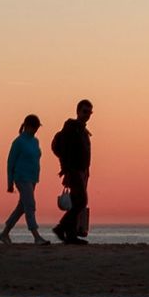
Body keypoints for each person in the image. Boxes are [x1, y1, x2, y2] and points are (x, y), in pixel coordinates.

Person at [0, 113, 50, 242]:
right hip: (21, 177)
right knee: (30, 205)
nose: (35, 131)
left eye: (37, 128)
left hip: (33, 178)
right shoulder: (18, 142)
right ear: (27, 126)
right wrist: (9, 183)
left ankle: (4, 233)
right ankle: (36, 236)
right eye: (34, 128)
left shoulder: (35, 141)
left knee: (22, 207)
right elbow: (10, 162)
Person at [51, 99, 93, 242]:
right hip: (73, 170)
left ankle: (71, 235)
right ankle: (61, 228)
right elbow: (64, 148)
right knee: (81, 200)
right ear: (78, 111)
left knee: (76, 202)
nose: (87, 114)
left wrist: (87, 171)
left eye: (89, 112)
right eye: (85, 111)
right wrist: (65, 169)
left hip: (82, 172)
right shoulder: (71, 126)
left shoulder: (83, 130)